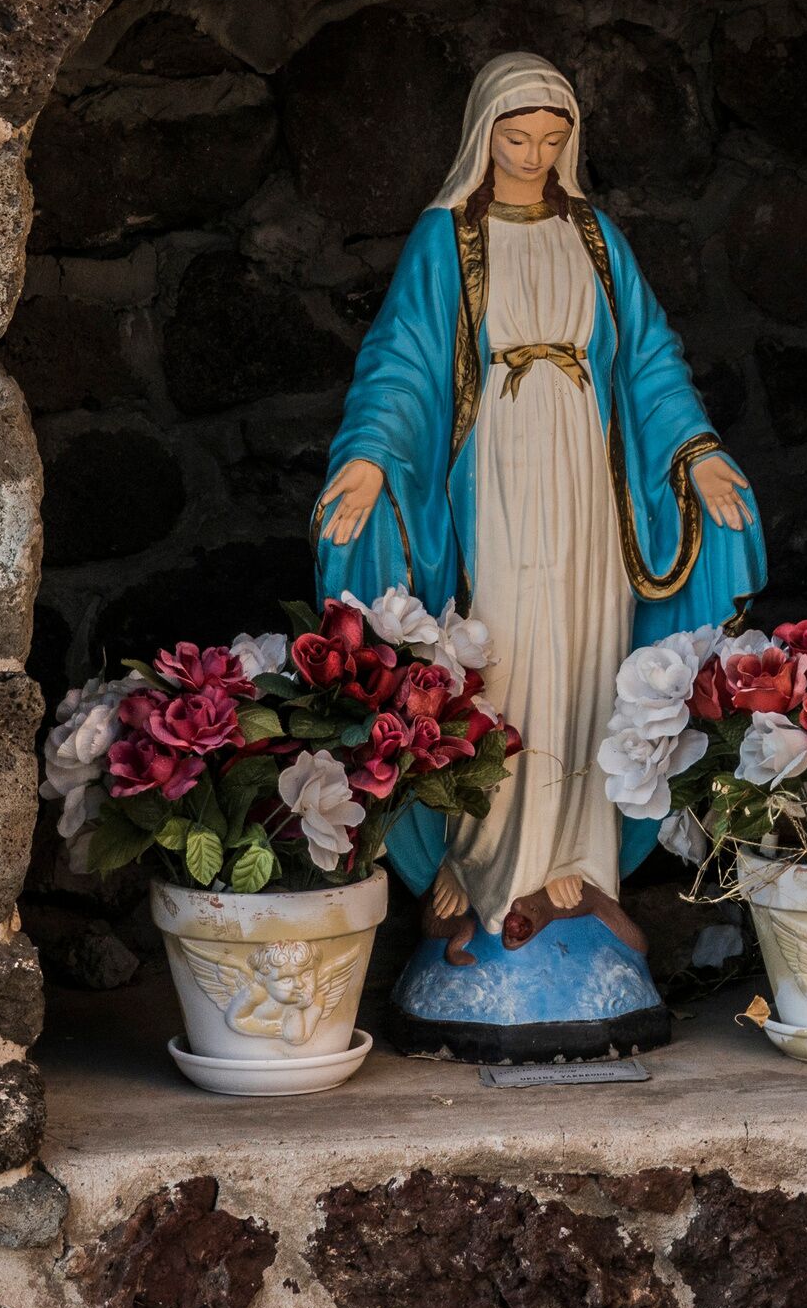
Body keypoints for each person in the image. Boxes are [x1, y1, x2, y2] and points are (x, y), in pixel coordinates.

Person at [313, 51, 763, 1055]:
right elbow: (407, 361)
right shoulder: (450, 239)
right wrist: (374, 460)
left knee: (587, 665)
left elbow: (648, 357)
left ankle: (577, 869)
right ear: (483, 137)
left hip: (589, 492)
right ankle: (481, 877)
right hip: (497, 485)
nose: (533, 157)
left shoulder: (596, 237)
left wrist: (694, 454)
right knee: (502, 663)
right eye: (516, 140)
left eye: (552, 141)